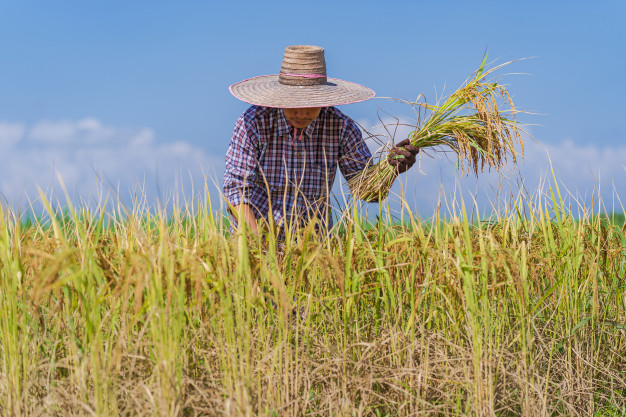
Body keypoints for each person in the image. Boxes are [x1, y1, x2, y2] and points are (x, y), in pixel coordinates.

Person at [223, 45, 419, 235]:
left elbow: (366, 190)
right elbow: (236, 191)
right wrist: (258, 246)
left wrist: (391, 169)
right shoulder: (254, 123)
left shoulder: (341, 127)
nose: (302, 113)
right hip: (255, 240)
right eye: (293, 104)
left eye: (311, 104)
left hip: (315, 248)